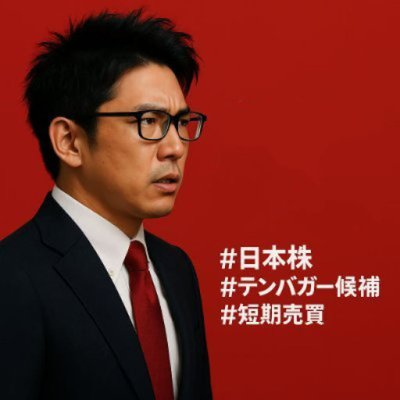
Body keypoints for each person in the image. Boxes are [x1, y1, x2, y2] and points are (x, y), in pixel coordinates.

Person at [0, 10, 212, 400]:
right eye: (149, 120)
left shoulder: (176, 269)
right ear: (69, 141)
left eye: (181, 123)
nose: (175, 147)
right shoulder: (12, 278)